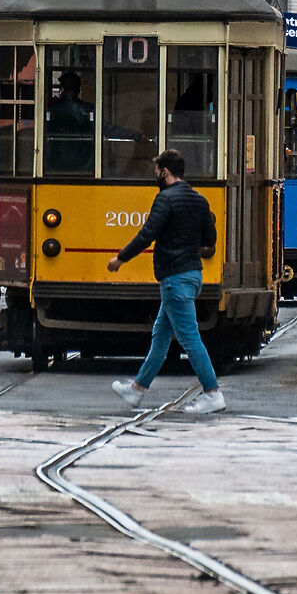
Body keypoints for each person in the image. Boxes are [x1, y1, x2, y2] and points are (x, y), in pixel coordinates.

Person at [107, 149, 224, 415]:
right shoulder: (199, 200)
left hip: (175, 278)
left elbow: (147, 235)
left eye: (157, 172)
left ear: (165, 172)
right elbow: (210, 240)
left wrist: (120, 259)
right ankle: (136, 390)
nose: (155, 176)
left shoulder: (165, 199)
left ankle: (213, 393)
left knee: (190, 338)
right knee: (160, 336)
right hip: (192, 274)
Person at [44, 66, 95, 174]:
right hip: (83, 163)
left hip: (55, 163)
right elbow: (104, 128)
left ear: (62, 89)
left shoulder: (52, 110)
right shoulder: (88, 109)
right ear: (78, 90)